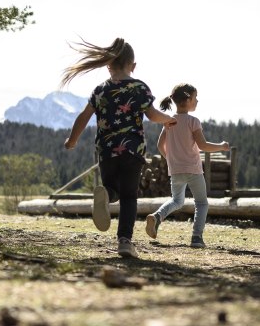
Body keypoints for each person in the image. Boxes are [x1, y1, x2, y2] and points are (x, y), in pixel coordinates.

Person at [62, 37, 176, 259]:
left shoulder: (100, 90)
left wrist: (72, 140)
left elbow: (84, 116)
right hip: (132, 151)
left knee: (112, 190)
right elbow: (152, 115)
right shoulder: (138, 87)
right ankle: (125, 241)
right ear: (132, 65)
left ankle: (105, 195)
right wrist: (168, 119)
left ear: (108, 65)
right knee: (129, 196)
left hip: (106, 151)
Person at [145, 83, 229, 248]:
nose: (197, 101)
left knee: (176, 201)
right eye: (195, 98)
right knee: (202, 203)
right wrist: (221, 146)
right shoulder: (193, 121)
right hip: (193, 169)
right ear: (189, 99)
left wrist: (170, 159)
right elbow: (203, 146)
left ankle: (156, 217)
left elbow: (159, 145)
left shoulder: (169, 122)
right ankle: (196, 238)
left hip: (176, 170)